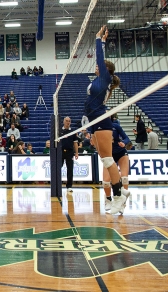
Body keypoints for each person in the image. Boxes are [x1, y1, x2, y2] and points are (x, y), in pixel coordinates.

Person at [84, 25, 127, 214]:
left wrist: (99, 39)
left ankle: (119, 196)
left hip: (101, 121)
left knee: (108, 160)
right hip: (95, 122)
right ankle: (118, 196)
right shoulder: (100, 82)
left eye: (98, 66)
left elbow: (99, 58)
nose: (95, 67)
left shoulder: (104, 79)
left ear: (105, 69)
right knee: (105, 160)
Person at [101, 115, 131, 213]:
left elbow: (127, 138)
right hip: (109, 155)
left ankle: (123, 203)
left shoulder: (116, 126)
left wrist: (123, 142)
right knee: (105, 182)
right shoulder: (100, 127)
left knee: (124, 178)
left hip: (121, 153)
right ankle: (108, 200)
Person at [59, 117, 79, 192]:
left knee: (70, 169)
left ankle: (69, 186)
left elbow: (75, 143)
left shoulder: (72, 132)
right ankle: (58, 184)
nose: (68, 122)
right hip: (60, 152)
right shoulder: (59, 131)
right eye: (66, 121)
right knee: (58, 168)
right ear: (63, 122)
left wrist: (76, 153)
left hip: (70, 152)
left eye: (69, 121)